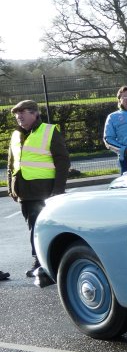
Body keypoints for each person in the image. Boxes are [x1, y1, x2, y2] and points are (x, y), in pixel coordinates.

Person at [7, 100, 70, 277]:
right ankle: (42, 261)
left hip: (44, 190)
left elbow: (62, 161)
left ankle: (40, 262)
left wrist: (58, 190)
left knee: (40, 227)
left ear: (35, 113)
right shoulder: (15, 135)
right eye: (16, 114)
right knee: (32, 226)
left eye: (22, 112)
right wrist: (10, 187)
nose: (19, 116)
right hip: (23, 191)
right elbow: (11, 164)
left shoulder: (49, 131)